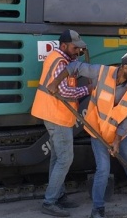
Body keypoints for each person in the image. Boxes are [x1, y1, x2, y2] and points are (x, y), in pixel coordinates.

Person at [61, 50, 127, 218]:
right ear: (125, 68)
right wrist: (56, 82)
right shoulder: (103, 72)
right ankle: (98, 209)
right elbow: (75, 66)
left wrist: (117, 140)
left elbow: (126, 119)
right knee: (103, 169)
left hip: (119, 135)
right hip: (98, 132)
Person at [31, 29, 93, 217]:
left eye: (79, 49)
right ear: (64, 46)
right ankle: (50, 202)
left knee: (57, 158)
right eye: (75, 48)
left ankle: (57, 195)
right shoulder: (60, 62)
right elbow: (64, 92)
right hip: (56, 115)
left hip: (54, 113)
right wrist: (88, 89)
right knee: (65, 158)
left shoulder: (63, 59)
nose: (77, 51)